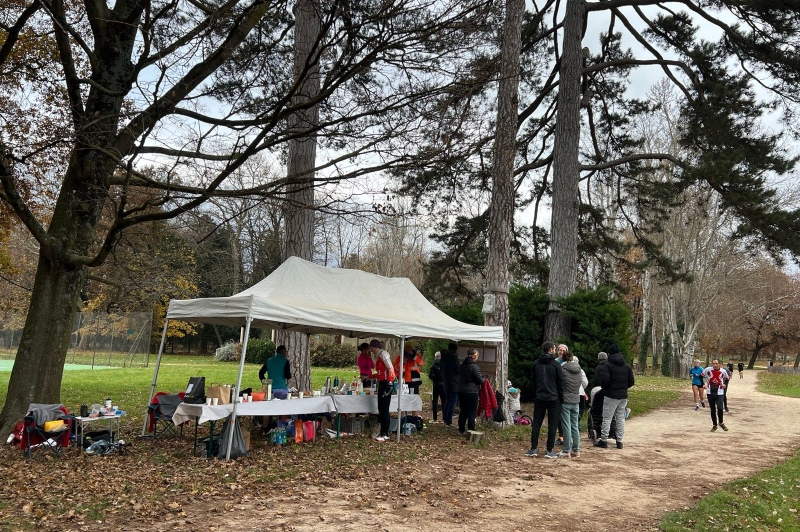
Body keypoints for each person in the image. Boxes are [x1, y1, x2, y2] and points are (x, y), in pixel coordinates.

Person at [524, 342, 563, 459]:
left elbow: (533, 381)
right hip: (553, 397)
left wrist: (535, 394)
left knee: (537, 423)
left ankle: (533, 448)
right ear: (551, 350)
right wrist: (561, 397)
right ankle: (549, 450)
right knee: (553, 424)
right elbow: (560, 382)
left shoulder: (536, 364)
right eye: (554, 349)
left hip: (540, 396)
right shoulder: (556, 364)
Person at [594, 343, 634, 449]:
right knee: (620, 418)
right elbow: (631, 381)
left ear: (609, 353)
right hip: (623, 395)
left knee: (607, 417)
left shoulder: (608, 365)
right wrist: (623, 387)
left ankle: (603, 440)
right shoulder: (626, 366)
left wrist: (607, 388)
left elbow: (604, 381)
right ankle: (619, 441)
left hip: (610, 395)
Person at [369, 339, 397, 442]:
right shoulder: (378, 356)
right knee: (381, 408)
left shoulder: (384, 354)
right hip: (382, 382)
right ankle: (382, 432)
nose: (371, 350)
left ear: (375, 347)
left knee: (384, 408)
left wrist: (390, 383)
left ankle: (385, 433)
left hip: (386, 383)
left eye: (371, 348)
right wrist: (370, 376)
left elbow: (390, 368)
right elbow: (381, 372)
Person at [560, 351, 583, 458]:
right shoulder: (579, 369)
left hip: (565, 400)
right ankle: (576, 449)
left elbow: (560, 384)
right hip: (576, 399)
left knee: (566, 426)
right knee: (575, 426)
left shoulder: (562, 369)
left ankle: (566, 450)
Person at [457, 348, 484, 435]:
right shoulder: (474, 367)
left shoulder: (462, 366)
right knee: (472, 411)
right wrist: (484, 378)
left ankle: (461, 430)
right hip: (472, 392)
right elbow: (479, 380)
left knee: (463, 410)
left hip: (461, 391)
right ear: (474, 356)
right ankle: (471, 429)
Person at [704, 359, 729, 432]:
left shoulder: (723, 371)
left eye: (716, 363)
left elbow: (727, 378)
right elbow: (701, 376)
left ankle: (721, 423)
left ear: (719, 364)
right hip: (710, 392)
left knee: (720, 408)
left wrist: (724, 384)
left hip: (720, 392)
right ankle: (714, 425)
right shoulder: (708, 370)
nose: (715, 365)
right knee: (713, 409)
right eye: (713, 363)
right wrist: (704, 384)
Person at [440, 342, 461, 426]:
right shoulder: (454, 358)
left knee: (447, 401)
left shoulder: (443, 358)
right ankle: (448, 420)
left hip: (446, 381)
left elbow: (441, 368)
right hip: (454, 383)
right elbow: (458, 370)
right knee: (452, 402)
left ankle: (445, 418)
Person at [428, 351, 445, 422]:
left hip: (436, 385)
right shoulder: (444, 364)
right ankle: (444, 418)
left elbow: (430, 376)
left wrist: (434, 379)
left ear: (435, 357)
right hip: (444, 385)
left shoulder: (433, 365)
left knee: (435, 401)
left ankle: (435, 418)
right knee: (444, 401)